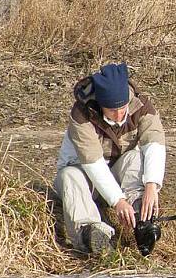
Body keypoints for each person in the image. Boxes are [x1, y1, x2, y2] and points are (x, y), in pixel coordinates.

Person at [54, 62, 167, 255]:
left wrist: (151, 185)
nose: (119, 114)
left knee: (135, 158)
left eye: (122, 108)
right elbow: (93, 163)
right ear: (100, 104)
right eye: (112, 110)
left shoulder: (140, 105)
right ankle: (90, 234)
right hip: (84, 181)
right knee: (69, 174)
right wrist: (117, 201)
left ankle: (142, 218)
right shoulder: (81, 116)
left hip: (117, 173)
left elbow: (154, 142)